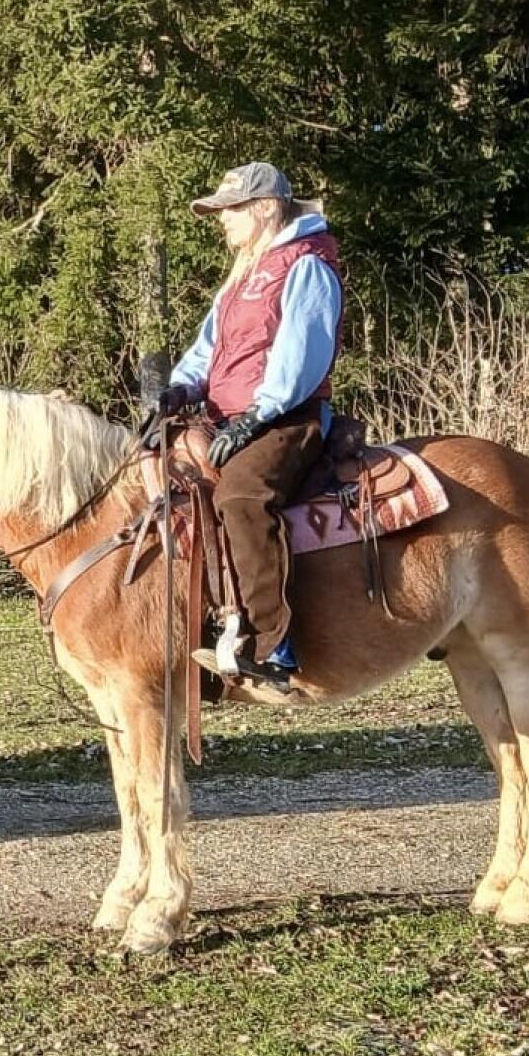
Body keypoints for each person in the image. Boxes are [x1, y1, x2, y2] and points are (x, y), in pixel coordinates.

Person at [147, 162, 343, 687]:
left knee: (242, 497)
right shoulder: (244, 274)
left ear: (262, 208)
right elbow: (208, 348)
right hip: (233, 415)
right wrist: (181, 389)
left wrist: (256, 415)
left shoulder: (305, 264)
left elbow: (301, 358)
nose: (222, 221)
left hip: (287, 418)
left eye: (230, 210)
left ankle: (272, 643)